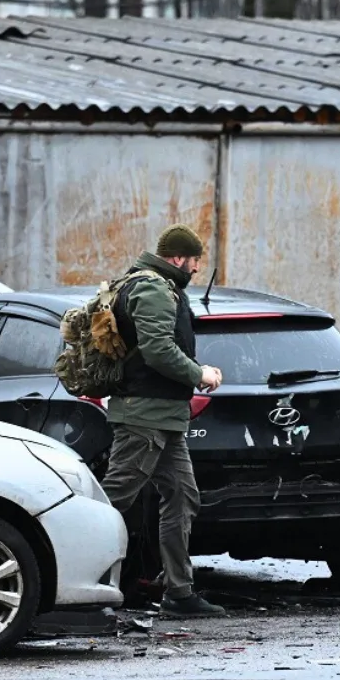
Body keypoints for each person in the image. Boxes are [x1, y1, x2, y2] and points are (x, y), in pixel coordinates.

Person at [101, 223, 226, 618]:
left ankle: (179, 592)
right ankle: (69, 584)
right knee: (111, 502)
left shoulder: (162, 287)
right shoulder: (153, 289)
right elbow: (157, 349)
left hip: (165, 417)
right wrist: (198, 373)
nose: (195, 269)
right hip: (144, 416)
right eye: (193, 261)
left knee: (183, 497)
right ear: (177, 258)